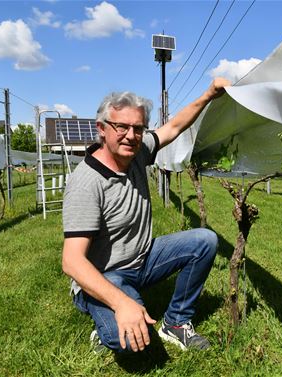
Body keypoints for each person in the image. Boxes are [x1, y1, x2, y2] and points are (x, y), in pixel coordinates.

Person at [62, 77, 231, 353]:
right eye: (121, 127)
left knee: (205, 241)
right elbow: (71, 262)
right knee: (131, 340)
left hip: (143, 260)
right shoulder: (87, 182)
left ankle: (176, 323)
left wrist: (209, 94)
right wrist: (121, 303)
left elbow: (174, 126)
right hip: (105, 275)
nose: (130, 135)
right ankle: (103, 322)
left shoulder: (138, 151)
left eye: (137, 128)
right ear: (102, 129)